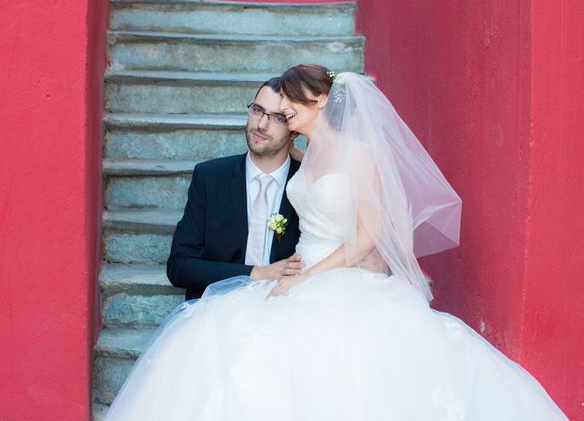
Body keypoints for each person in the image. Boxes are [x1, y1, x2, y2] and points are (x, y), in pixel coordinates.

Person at [104, 65, 567, 420]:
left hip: (333, 277)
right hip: (300, 275)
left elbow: (370, 235)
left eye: (287, 109)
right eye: (264, 110)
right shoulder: (303, 162)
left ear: (321, 100)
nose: (278, 116)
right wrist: (278, 274)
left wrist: (311, 273)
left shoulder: (357, 155)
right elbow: (185, 262)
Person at [167, 77, 303, 300]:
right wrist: (254, 273)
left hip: (287, 309)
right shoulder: (210, 177)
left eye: (278, 118)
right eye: (257, 110)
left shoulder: (309, 186)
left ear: (295, 130)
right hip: (220, 308)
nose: (260, 124)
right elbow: (179, 266)